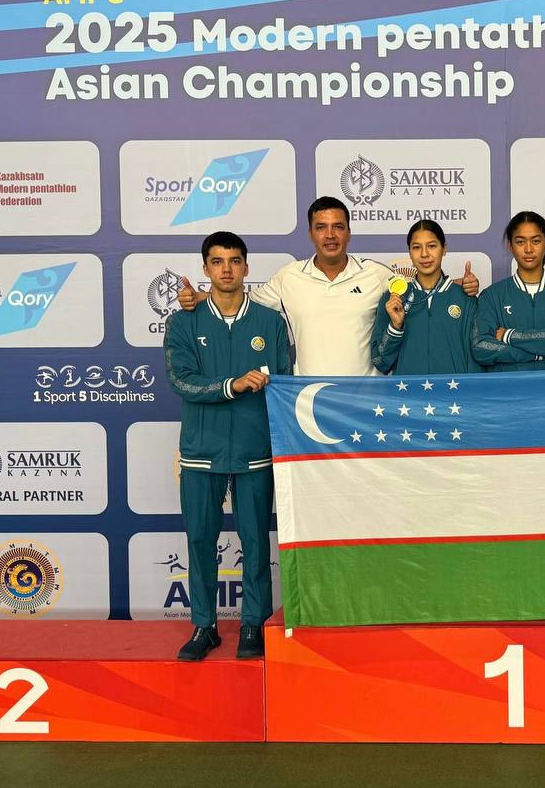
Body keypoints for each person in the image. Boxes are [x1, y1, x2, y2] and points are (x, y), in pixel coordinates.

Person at [164, 231, 292, 661]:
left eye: (234, 261)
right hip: (202, 450)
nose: (226, 269)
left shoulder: (269, 322)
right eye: (217, 261)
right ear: (205, 269)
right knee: (201, 540)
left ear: (246, 268)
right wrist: (232, 385)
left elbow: (285, 382)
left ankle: (253, 622)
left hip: (255, 449)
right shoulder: (184, 322)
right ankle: (204, 625)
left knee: (255, 541)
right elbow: (181, 381)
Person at [177, 197, 480, 375]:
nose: (330, 235)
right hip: (310, 403)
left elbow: (419, 288)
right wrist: (203, 297)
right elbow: (243, 302)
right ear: (310, 234)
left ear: (349, 232)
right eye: (321, 227)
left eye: (338, 227)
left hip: (368, 405)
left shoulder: (375, 274)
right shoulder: (289, 276)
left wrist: (458, 285)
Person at [472, 211, 545, 371]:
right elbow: (481, 347)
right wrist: (535, 355)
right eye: (520, 242)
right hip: (508, 386)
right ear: (510, 245)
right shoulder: (491, 296)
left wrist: (509, 335)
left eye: (536, 241)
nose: (528, 249)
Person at [370, 219, 482, 375]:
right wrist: (395, 327)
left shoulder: (465, 298)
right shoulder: (393, 300)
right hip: (408, 391)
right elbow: (379, 362)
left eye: (432, 246)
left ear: (444, 248)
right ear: (409, 252)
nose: (424, 254)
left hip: (454, 390)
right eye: (416, 247)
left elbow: (477, 359)